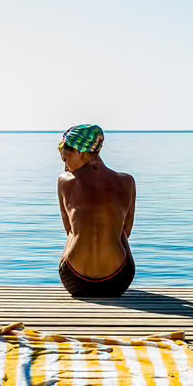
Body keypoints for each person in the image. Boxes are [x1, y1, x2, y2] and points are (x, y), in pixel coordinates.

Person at [56, 124, 137, 297]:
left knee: (75, 230)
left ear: (80, 152)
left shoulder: (64, 181)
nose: (65, 167)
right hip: (118, 281)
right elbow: (127, 232)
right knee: (119, 231)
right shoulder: (127, 181)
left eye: (65, 159)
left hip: (75, 280)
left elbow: (68, 230)